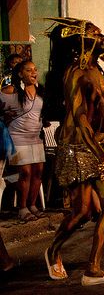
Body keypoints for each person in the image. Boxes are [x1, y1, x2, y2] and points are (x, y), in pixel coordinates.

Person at [43, 18, 104, 285]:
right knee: (82, 212)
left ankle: (93, 269)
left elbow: (97, 109)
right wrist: (102, 157)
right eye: (95, 33)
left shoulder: (97, 70)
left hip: (98, 143)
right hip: (79, 146)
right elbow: (79, 118)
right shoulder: (76, 73)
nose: (102, 37)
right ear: (79, 40)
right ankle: (53, 251)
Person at [0, 60, 46, 221]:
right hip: (17, 138)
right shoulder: (12, 90)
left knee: (38, 172)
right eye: (28, 70)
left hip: (35, 137)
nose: (33, 73)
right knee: (25, 173)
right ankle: (22, 208)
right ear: (20, 74)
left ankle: (33, 205)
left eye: (35, 69)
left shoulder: (40, 90)